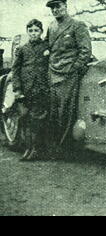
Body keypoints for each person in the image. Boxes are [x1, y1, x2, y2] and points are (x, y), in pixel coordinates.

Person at [45, 0, 92, 155]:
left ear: (65, 6)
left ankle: (65, 149)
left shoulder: (77, 25)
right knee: (54, 112)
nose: (55, 10)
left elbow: (85, 50)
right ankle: (56, 147)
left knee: (66, 112)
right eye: (52, 7)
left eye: (58, 6)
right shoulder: (51, 27)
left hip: (68, 74)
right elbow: (48, 47)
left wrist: (74, 69)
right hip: (54, 73)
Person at [10, 19, 50, 161]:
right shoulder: (22, 49)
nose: (33, 33)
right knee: (24, 118)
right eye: (31, 31)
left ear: (41, 32)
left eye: (36, 30)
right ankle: (27, 148)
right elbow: (15, 70)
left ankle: (35, 149)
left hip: (41, 89)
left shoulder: (46, 47)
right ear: (27, 32)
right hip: (25, 90)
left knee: (37, 119)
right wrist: (17, 89)